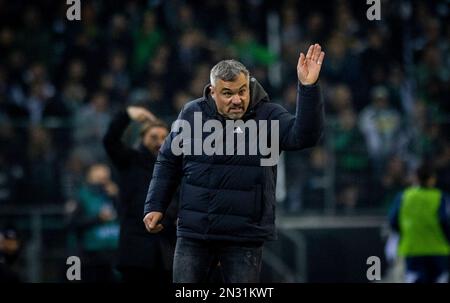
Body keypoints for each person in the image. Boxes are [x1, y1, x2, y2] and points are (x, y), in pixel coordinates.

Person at [143, 44, 325, 283]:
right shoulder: (191, 113)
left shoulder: (268, 115)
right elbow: (168, 161)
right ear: (212, 91)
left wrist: (308, 88)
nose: (237, 99)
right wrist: (155, 204)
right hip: (195, 234)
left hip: (244, 238)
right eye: (228, 93)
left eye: (242, 91)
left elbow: (305, 136)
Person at [103, 106, 177, 283]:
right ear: (142, 139)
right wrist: (126, 114)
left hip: (166, 250)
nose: (159, 142)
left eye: (163, 138)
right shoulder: (130, 160)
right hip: (135, 250)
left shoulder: (176, 167)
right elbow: (110, 141)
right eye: (153, 137)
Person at [389, 163, 450, 283]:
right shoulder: (439, 197)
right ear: (432, 179)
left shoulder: (403, 196)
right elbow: (444, 221)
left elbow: (393, 220)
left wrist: (405, 234)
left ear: (415, 178)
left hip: (412, 249)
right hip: (437, 250)